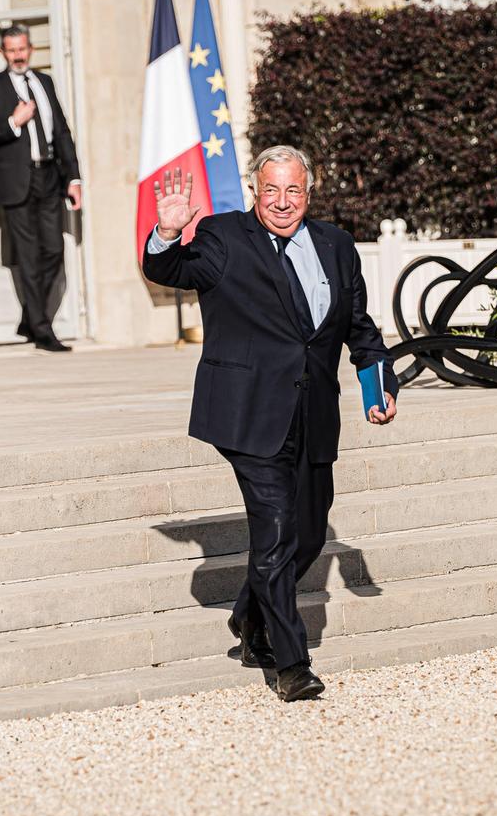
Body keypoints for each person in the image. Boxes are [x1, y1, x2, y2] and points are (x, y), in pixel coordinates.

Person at [141, 146, 399, 703]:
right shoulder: (224, 236)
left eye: (294, 191)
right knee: (277, 530)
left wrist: (379, 386)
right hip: (248, 411)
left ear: (310, 192)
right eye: (272, 190)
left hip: (314, 412)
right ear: (255, 190)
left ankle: (250, 616)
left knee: (308, 531)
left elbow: (359, 326)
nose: (283, 202)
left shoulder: (335, 244)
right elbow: (172, 269)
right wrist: (165, 233)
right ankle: (290, 662)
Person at [0, 26, 82, 352]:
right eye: (11, 50)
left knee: (53, 251)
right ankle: (43, 330)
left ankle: (30, 317)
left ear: (30, 49)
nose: (18, 55)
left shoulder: (44, 82)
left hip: (49, 177)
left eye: (22, 49)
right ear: (3, 53)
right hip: (17, 181)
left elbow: (62, 132)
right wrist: (13, 122)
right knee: (30, 256)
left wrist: (73, 178)